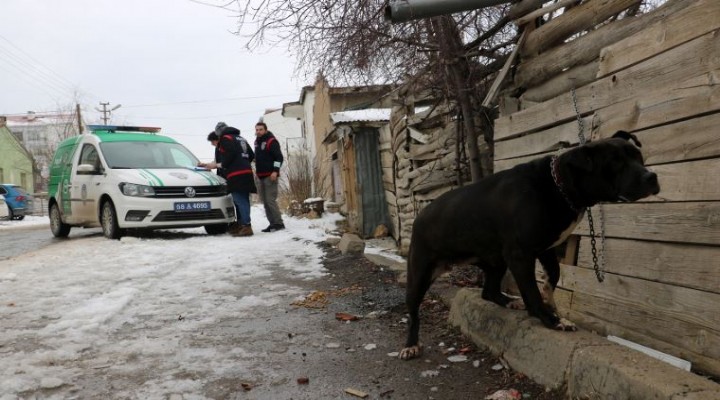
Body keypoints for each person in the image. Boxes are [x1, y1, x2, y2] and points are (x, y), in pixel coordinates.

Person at [199, 122, 256, 236]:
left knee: (239, 200)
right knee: (244, 199)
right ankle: (243, 224)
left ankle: (246, 226)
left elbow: (229, 156)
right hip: (246, 172)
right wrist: (243, 163)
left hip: (236, 173)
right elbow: (251, 155)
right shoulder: (241, 138)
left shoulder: (225, 139)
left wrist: (220, 165)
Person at [253, 121, 285, 232]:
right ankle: (272, 224)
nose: (258, 131)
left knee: (270, 200)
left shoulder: (271, 141)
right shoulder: (256, 142)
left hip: (270, 176)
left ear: (265, 130)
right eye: (257, 130)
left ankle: (279, 223)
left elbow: (279, 158)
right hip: (260, 176)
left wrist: (275, 171)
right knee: (265, 202)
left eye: (260, 129)